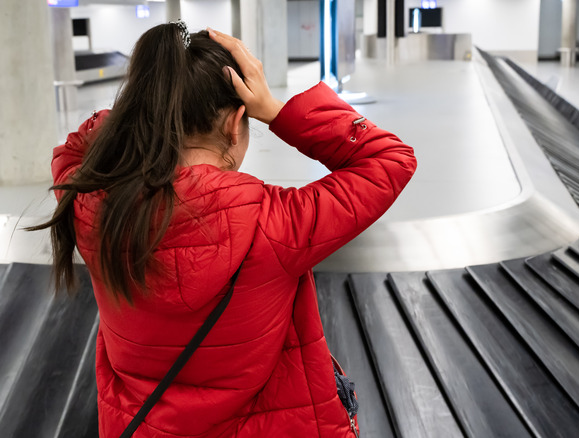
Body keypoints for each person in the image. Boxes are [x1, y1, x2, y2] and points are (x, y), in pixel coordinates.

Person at [32, 21, 416, 437]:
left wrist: (147, 102)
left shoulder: (92, 209)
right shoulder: (275, 222)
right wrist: (275, 108)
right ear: (236, 123)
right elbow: (390, 160)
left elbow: (72, 149)